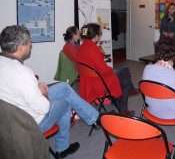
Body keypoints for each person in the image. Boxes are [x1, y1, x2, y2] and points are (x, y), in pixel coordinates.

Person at [0, 25, 101, 159]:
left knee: (64, 87)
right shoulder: (22, 73)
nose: (31, 45)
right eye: (29, 42)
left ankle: (93, 117)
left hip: (11, 116)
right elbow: (43, 108)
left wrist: (36, 88)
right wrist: (43, 93)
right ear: (20, 47)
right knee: (65, 102)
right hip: (30, 123)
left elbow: (16, 89)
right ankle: (63, 147)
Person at [76, 23, 138, 116]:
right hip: (98, 83)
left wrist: (101, 54)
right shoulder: (93, 48)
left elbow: (91, 63)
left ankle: (130, 90)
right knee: (125, 77)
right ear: (96, 36)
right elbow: (104, 70)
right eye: (100, 34)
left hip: (87, 82)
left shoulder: (81, 47)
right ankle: (124, 107)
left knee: (124, 73)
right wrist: (111, 70)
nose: (100, 37)